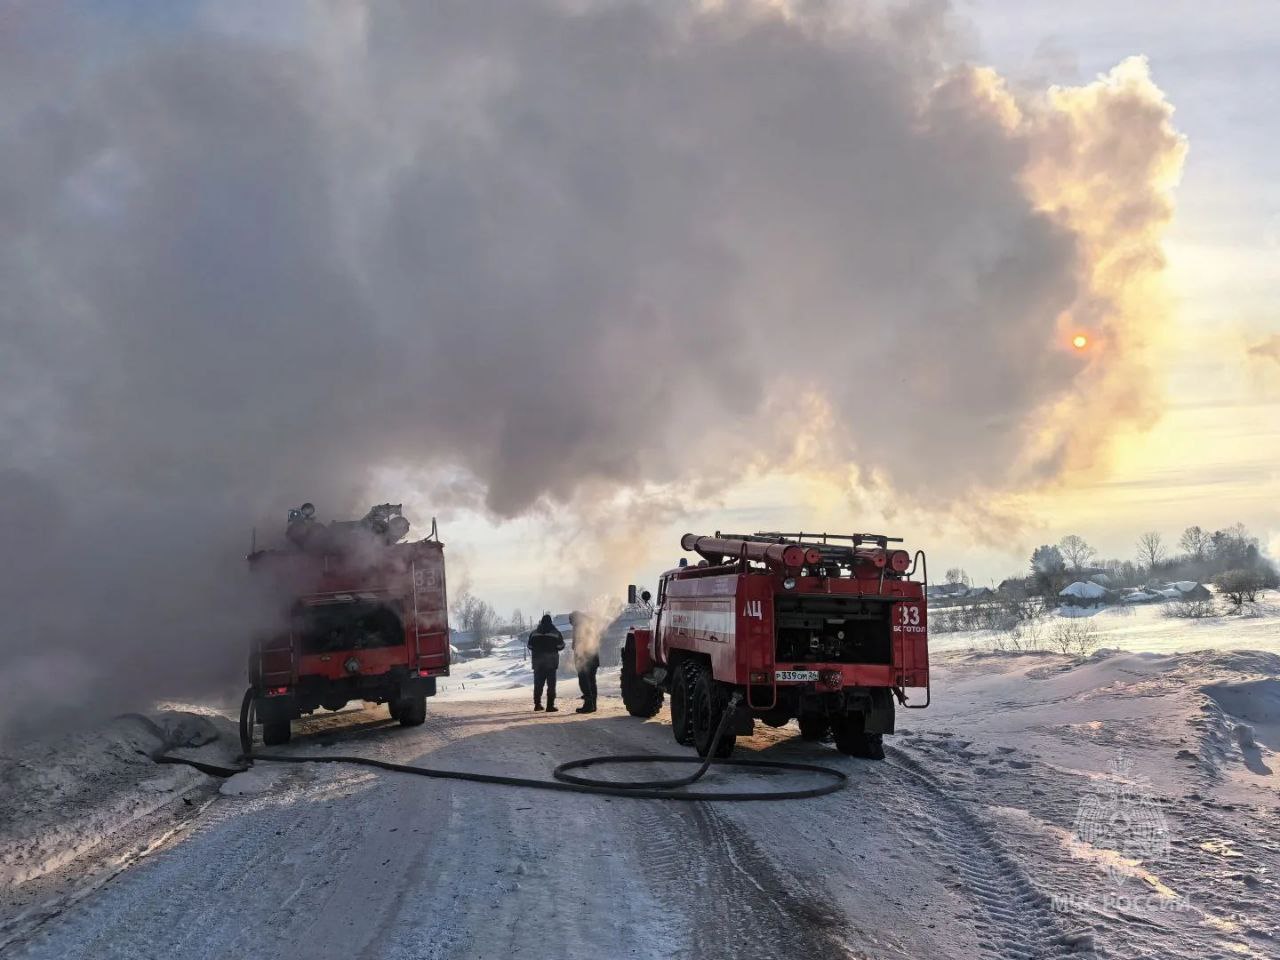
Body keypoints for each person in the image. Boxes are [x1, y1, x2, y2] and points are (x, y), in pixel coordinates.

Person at [527, 613, 565, 712]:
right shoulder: (556, 633)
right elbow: (561, 646)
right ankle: (550, 706)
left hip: (538, 663)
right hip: (551, 663)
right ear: (551, 622)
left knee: (538, 684)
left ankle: (537, 705)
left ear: (541, 621)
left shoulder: (534, 633)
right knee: (551, 685)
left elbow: (529, 646)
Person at [570, 612, 600, 714]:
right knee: (592, 681)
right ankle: (593, 705)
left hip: (584, 658)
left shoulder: (579, 626)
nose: (571, 624)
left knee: (584, 681)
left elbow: (576, 645)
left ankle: (588, 705)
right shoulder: (591, 624)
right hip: (594, 657)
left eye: (571, 621)